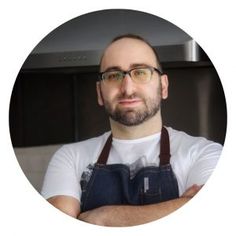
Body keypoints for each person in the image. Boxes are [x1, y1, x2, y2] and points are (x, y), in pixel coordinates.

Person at [41, 34, 222, 226]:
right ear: (99, 93)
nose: (127, 88)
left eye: (141, 72)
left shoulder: (205, 153)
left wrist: (102, 218)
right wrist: (181, 205)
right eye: (113, 76)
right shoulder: (70, 157)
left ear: (163, 86)